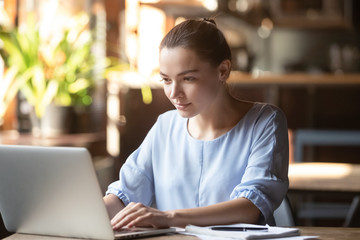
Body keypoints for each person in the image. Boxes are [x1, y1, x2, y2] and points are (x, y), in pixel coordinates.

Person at [103, 18, 289, 230]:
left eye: (188, 79)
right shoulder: (165, 126)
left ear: (223, 71)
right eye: (166, 80)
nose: (174, 93)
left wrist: (168, 218)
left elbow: (250, 208)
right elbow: (124, 195)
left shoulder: (265, 122)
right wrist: (84, 212)